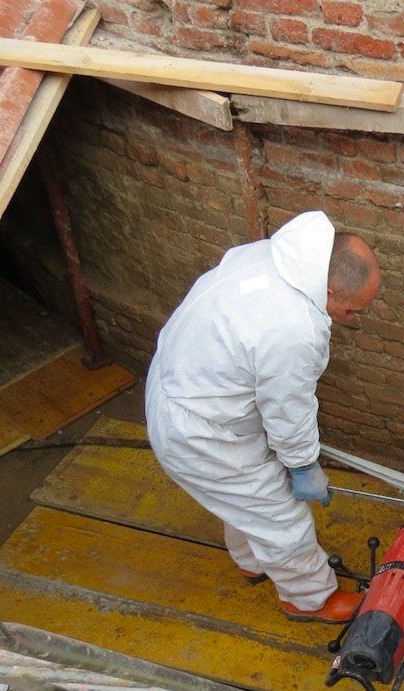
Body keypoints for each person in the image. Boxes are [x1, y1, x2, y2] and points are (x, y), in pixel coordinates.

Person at [145, 211, 379, 623]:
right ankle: (309, 599)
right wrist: (304, 466)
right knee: (281, 516)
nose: (351, 320)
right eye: (350, 311)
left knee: (247, 496)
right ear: (327, 288)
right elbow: (289, 410)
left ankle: (252, 560)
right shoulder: (294, 330)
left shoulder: (269, 256)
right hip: (200, 432)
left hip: (184, 385)